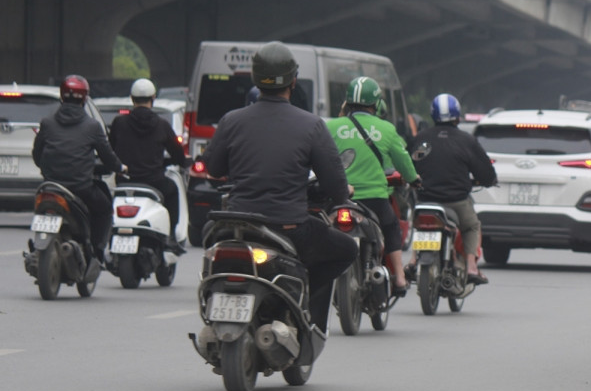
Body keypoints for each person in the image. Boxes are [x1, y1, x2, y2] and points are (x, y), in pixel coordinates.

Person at [200, 42, 356, 335]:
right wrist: (342, 197)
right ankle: (303, 293)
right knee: (346, 249)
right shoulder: (311, 125)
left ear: (255, 79)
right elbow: (335, 183)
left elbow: (214, 169)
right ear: (293, 80)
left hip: (234, 224)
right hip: (289, 227)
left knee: (210, 250)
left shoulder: (231, 120)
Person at [326, 76, 420, 296]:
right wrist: (413, 179)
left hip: (339, 198)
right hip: (374, 200)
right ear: (376, 103)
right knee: (391, 227)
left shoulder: (331, 127)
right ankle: (399, 277)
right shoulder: (386, 129)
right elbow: (404, 163)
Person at [32, 75, 125, 262]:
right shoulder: (92, 126)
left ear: (62, 96)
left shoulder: (47, 123)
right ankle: (98, 250)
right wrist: (120, 167)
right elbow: (108, 158)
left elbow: (37, 155)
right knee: (105, 209)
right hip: (81, 188)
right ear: (84, 99)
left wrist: (49, 170)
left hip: (51, 186)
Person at [406, 93, 497, 284]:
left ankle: (413, 260)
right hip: (457, 203)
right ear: (457, 115)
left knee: (419, 225)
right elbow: (486, 173)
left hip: (425, 200)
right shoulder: (466, 141)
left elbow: (409, 164)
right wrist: (487, 181)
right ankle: (472, 267)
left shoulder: (420, 139)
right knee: (472, 226)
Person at [108, 78, 188, 253]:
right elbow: (178, 154)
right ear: (153, 98)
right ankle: (171, 236)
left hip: (125, 181)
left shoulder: (119, 123)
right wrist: (180, 161)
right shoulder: (162, 125)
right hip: (154, 182)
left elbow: (110, 150)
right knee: (173, 190)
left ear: (132, 98)